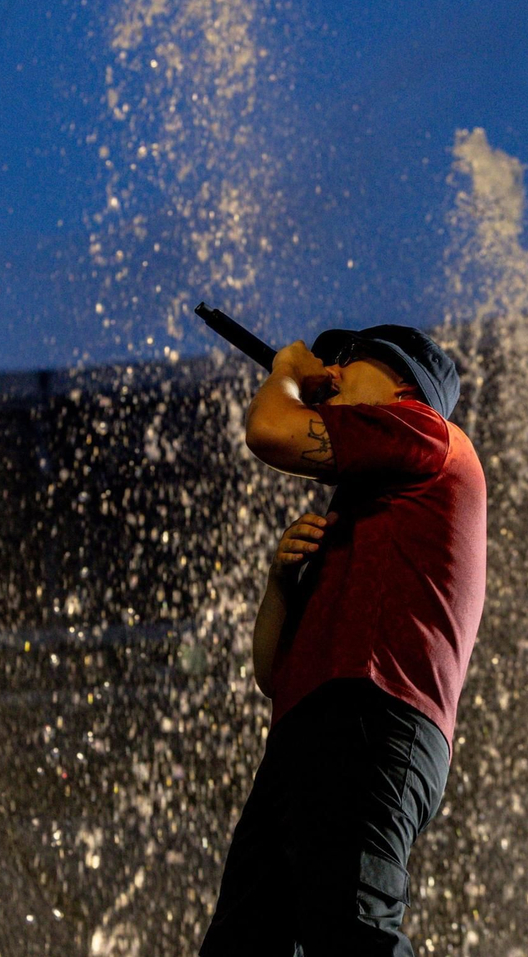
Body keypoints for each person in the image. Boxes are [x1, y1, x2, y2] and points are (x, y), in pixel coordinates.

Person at [198, 324, 488, 956]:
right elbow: (273, 674)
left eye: (346, 363)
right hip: (318, 724)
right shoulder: (372, 507)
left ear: (404, 381)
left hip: (368, 712)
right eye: (327, 368)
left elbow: (269, 430)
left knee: (352, 933)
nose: (330, 377)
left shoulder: (424, 430)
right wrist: (281, 583)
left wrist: (290, 375)